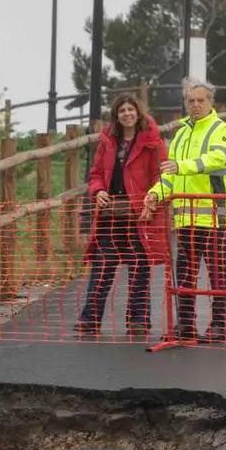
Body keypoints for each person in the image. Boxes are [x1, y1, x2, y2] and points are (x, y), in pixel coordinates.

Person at [142, 77, 226, 344]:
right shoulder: (182, 133)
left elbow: (217, 158)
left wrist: (181, 166)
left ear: (211, 102)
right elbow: (170, 176)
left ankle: (219, 325)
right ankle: (186, 325)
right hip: (185, 219)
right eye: (190, 101)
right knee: (184, 274)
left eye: (200, 100)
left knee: (218, 274)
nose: (195, 105)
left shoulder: (223, 130)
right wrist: (155, 193)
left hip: (214, 217)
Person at [74, 94, 169, 338]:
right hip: (109, 213)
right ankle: (90, 320)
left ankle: (138, 320)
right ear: (116, 116)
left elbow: (162, 176)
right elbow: (95, 173)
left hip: (139, 213)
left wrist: (153, 197)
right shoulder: (108, 141)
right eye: (121, 110)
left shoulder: (153, 142)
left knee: (139, 267)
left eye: (130, 109)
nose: (127, 113)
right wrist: (98, 191)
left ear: (138, 112)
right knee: (102, 266)